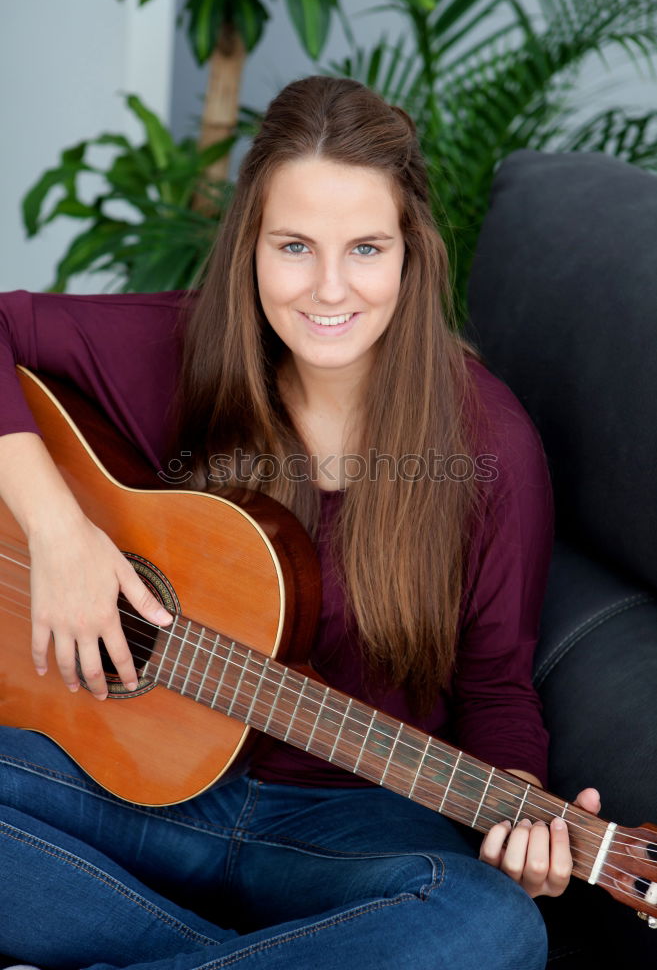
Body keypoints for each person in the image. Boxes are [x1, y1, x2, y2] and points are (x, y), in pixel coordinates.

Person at [0, 75, 600, 970]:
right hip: (122, 782)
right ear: (250, 247)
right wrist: (61, 536)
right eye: (293, 247)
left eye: (365, 248)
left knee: (491, 926)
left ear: (411, 254)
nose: (328, 289)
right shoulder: (181, 350)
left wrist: (517, 807)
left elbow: (497, 686)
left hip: (345, 822)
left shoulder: (490, 445)